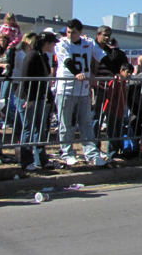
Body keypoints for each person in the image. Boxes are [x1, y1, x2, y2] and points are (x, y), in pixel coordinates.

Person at [54, 19, 108, 166]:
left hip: (83, 91)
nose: (70, 35)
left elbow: (102, 56)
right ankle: (67, 153)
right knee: (66, 124)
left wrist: (115, 70)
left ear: (80, 32)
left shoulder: (88, 43)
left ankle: (91, 154)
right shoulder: (61, 44)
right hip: (65, 89)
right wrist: (77, 73)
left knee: (86, 123)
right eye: (68, 32)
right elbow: (66, 61)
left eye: (73, 32)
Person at [19, 31, 59, 170]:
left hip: (40, 96)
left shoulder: (43, 56)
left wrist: (47, 94)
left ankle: (41, 160)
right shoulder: (32, 56)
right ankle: (26, 161)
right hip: (29, 98)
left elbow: (45, 78)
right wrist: (28, 98)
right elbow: (25, 77)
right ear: (46, 43)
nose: (54, 45)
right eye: (52, 43)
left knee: (39, 129)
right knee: (28, 129)